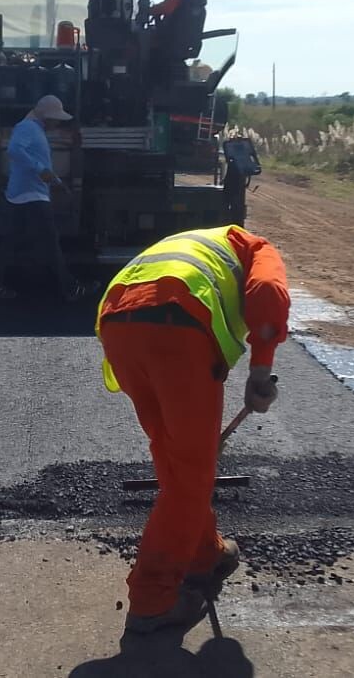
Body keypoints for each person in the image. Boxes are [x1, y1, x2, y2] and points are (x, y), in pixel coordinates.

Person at [96, 225, 288, 634]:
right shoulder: (256, 247)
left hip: (117, 323)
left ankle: (205, 553)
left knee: (174, 456)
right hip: (176, 329)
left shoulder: (198, 244)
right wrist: (261, 373)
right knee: (192, 476)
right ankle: (152, 601)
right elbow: (269, 290)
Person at [0, 95, 85, 301]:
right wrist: (41, 171)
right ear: (46, 117)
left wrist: (56, 181)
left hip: (25, 194)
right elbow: (14, 150)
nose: (57, 123)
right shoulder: (28, 128)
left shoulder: (34, 129)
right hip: (31, 194)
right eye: (56, 119)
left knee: (10, 242)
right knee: (50, 241)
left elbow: (37, 160)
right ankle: (70, 288)